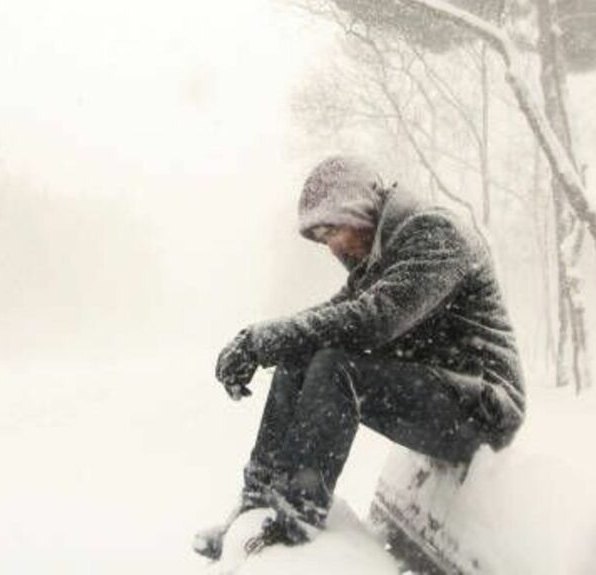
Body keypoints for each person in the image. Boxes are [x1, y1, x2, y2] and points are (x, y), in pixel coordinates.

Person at [195, 155, 526, 558]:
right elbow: (329, 316)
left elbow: (374, 319)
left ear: (361, 208)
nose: (331, 246)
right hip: (444, 393)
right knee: (300, 357)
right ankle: (258, 500)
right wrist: (257, 340)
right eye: (321, 238)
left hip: (485, 408)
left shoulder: (435, 234)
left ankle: (298, 517)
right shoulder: (381, 258)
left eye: (332, 229)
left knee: (336, 367)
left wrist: (263, 341)